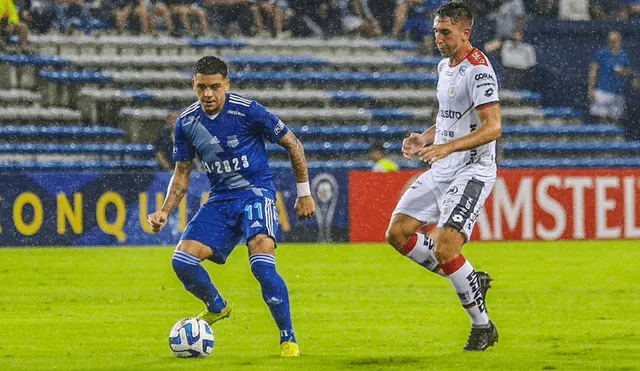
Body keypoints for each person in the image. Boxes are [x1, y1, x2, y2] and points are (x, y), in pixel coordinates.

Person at [147, 56, 315, 357]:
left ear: (227, 84)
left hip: (256, 195)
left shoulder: (248, 110)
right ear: (193, 85)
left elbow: (293, 143)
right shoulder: (186, 123)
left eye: (214, 87)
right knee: (181, 261)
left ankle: (287, 338)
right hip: (221, 199)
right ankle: (217, 307)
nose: (208, 94)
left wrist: (304, 193)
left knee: (262, 266)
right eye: (201, 87)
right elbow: (182, 172)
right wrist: (164, 212)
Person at [385, 2, 501, 351]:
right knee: (398, 233)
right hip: (443, 166)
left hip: (472, 170)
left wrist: (450, 149)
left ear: (466, 32)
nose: (438, 37)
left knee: (446, 245)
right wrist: (426, 137)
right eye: (436, 30)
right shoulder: (444, 66)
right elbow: (450, 117)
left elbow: (493, 127)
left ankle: (483, 328)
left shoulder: (478, 71)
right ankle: (469, 279)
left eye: (445, 31)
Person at [588, 31, 632, 123]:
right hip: (603, 91)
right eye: (610, 41)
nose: (613, 44)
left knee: (614, 120)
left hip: (618, 93)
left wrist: (622, 72)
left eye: (615, 41)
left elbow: (629, 72)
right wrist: (591, 89)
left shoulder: (623, 55)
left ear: (620, 41)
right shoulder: (601, 53)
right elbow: (593, 72)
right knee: (602, 120)